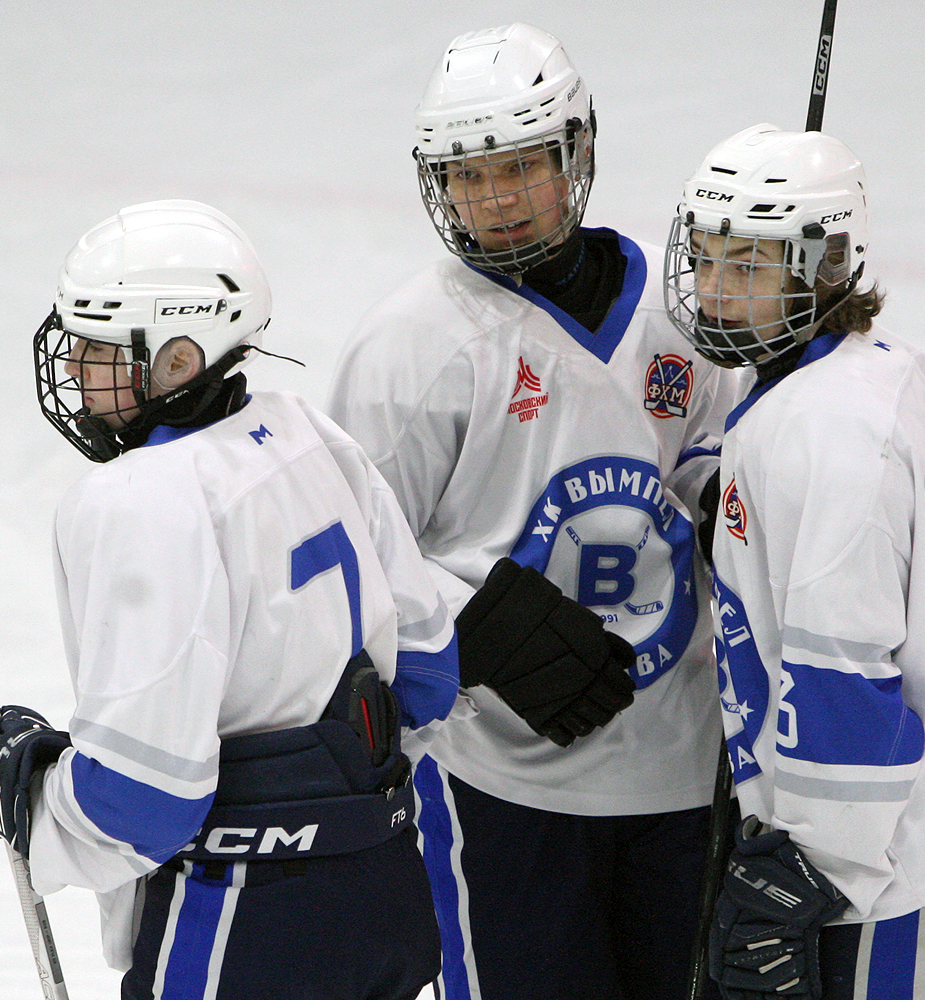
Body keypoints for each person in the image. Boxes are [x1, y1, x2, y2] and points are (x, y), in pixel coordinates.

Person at [0, 200, 461, 1000]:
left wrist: (26, 789)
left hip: (245, 922)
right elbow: (426, 675)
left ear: (180, 360)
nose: (75, 366)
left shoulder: (139, 499)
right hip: (385, 895)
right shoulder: (305, 432)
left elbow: (144, 801)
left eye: (99, 348)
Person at [326, 24, 740, 1000]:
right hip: (499, 786)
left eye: (520, 167)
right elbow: (337, 555)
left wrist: (748, 516)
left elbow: (733, 485)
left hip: (684, 774)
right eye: (469, 176)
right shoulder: (410, 349)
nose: (497, 199)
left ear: (577, 155)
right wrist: (472, 621)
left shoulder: (684, 318)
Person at [662, 124, 925, 999]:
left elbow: (843, 675)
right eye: (709, 258)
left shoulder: (827, 438)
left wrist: (807, 871)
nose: (718, 292)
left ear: (825, 266)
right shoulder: (844, 371)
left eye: (751, 267)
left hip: (891, 848)